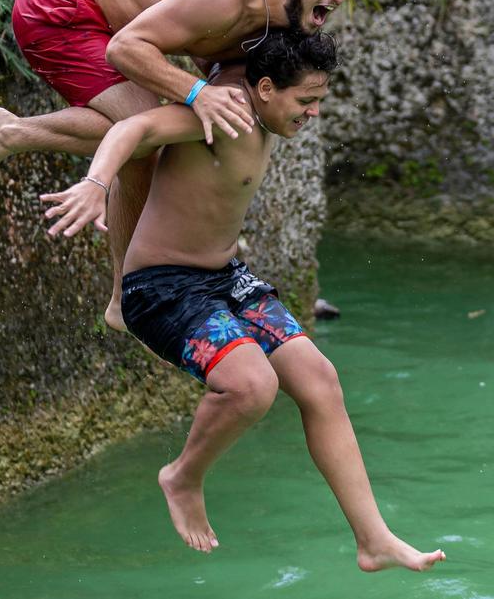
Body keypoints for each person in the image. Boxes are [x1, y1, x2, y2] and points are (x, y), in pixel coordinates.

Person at [38, 30, 446, 572]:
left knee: (319, 379)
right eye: (306, 101)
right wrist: (95, 182)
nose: (314, 113)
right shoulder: (220, 114)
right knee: (252, 385)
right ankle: (182, 477)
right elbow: (134, 126)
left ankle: (373, 539)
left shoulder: (262, 91)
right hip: (159, 288)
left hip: (224, 278)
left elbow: (246, 20)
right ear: (267, 89)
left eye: (320, 100)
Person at [0, 0, 358, 330]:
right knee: (141, 134)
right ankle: (12, 133)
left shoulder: (281, 17)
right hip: (59, 7)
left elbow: (214, 26)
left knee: (147, 142)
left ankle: (120, 300)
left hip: (111, 21)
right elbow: (126, 48)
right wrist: (198, 93)